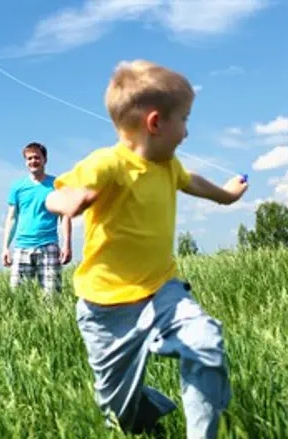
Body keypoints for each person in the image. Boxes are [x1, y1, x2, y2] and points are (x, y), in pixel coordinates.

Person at [44, 60, 248, 437]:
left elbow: (195, 183)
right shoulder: (108, 163)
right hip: (105, 310)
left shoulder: (168, 166)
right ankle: (148, 411)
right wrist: (69, 202)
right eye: (184, 120)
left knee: (206, 343)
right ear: (155, 123)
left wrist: (228, 196)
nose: (187, 133)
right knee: (120, 417)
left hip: (162, 291)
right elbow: (55, 198)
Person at [2, 142, 72, 296]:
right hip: (22, 247)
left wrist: (67, 245)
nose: (33, 161)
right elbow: (11, 218)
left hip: (49, 246)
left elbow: (65, 216)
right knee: (18, 297)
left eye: (37, 158)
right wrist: (6, 247)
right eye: (29, 158)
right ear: (26, 162)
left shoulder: (57, 185)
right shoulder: (18, 187)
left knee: (52, 297)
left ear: (45, 160)